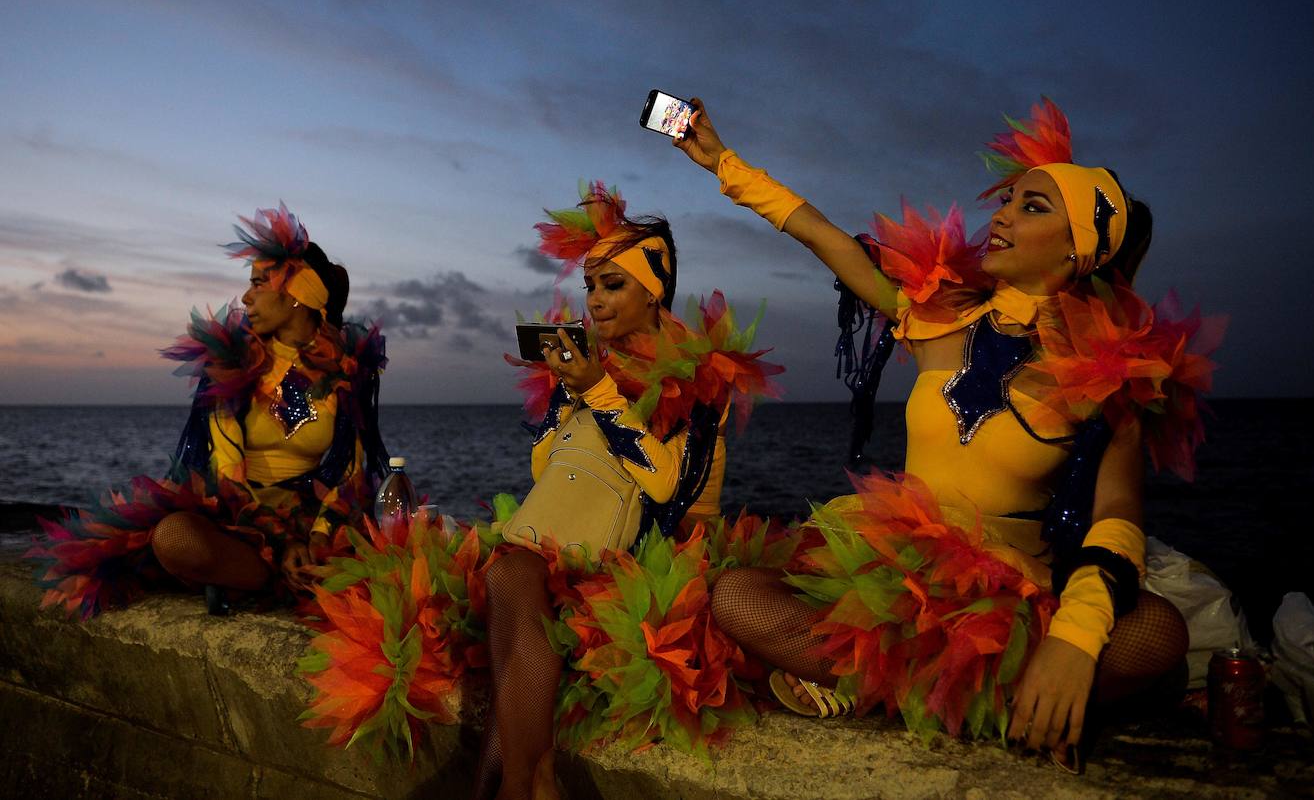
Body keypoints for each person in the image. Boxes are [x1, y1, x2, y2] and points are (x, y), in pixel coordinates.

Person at [670, 98, 1219, 771]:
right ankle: (984, 702)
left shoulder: (1113, 375)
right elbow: (826, 239)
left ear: (1078, 249)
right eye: (1008, 200)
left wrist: (1073, 642)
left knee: (1158, 633)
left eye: (1032, 207)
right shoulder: (937, 320)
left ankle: (894, 684)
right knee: (736, 595)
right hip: (892, 579)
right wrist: (722, 162)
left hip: (1006, 600)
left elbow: (1117, 516)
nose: (1003, 215)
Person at [473, 181, 781, 800]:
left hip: (649, 567)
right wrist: (569, 394)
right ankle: (529, 782)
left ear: (654, 290)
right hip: (571, 544)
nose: (595, 301)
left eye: (612, 285)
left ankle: (524, 784)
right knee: (508, 578)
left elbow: (667, 486)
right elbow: (545, 470)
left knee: (513, 595)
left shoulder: (698, 374)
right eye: (590, 286)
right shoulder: (597, 366)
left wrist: (598, 392)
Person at [29, 204, 389, 617]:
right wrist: (280, 540)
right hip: (238, 516)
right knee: (173, 537)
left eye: (258, 283)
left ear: (296, 297)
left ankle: (260, 577)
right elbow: (226, 472)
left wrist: (319, 538)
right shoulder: (233, 362)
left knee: (388, 565)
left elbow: (350, 473)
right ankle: (273, 576)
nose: (247, 297)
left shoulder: (347, 369)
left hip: (311, 520)